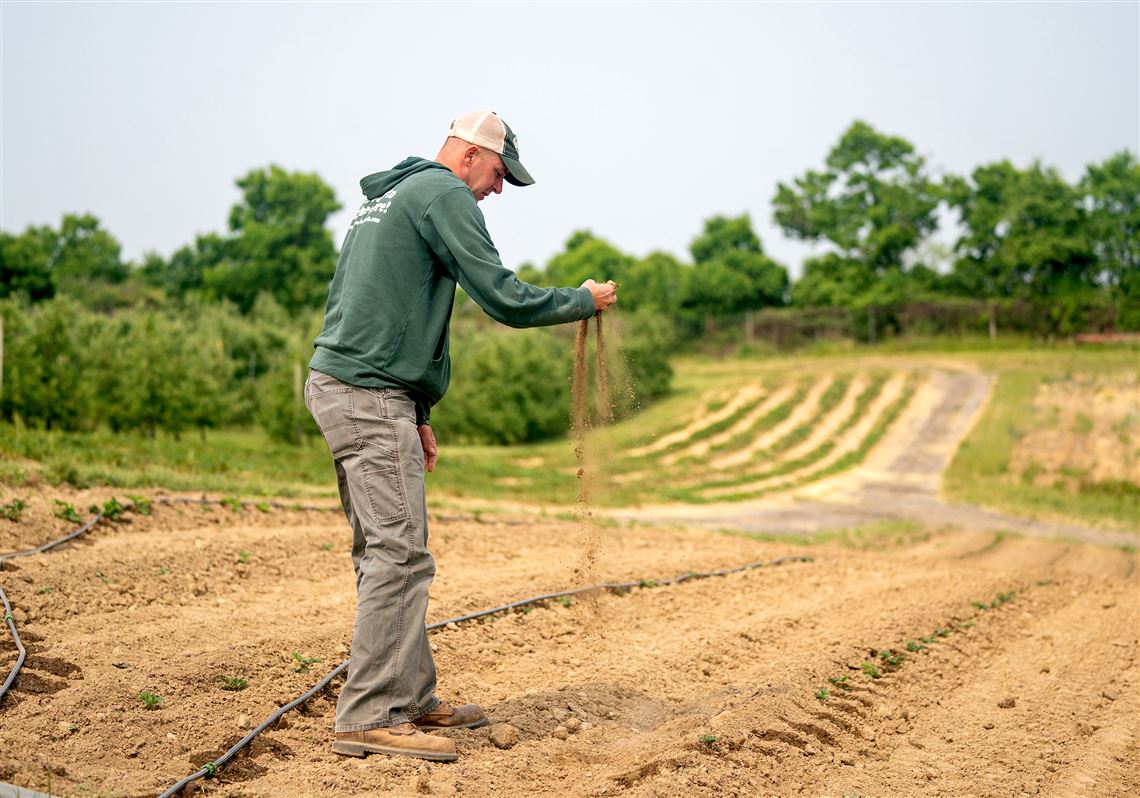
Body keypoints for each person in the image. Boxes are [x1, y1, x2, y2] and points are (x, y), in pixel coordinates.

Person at [304, 111, 618, 763]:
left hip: (351, 385)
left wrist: (414, 409)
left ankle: (411, 698)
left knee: (386, 549)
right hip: (366, 393)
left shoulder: (394, 193)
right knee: (399, 554)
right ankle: (367, 716)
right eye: (501, 175)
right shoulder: (443, 192)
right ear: (471, 155)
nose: (497, 191)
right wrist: (580, 300)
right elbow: (500, 296)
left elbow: (374, 306)